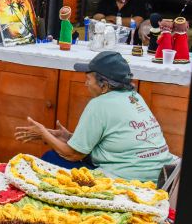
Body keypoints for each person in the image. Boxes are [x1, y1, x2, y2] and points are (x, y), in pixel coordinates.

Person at [15, 51, 175, 183]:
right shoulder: (134, 97)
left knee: (50, 159)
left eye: (88, 79)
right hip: (159, 175)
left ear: (104, 85)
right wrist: (69, 137)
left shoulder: (99, 104)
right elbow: (113, 140)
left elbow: (72, 155)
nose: (86, 84)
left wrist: (43, 132)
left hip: (129, 179)